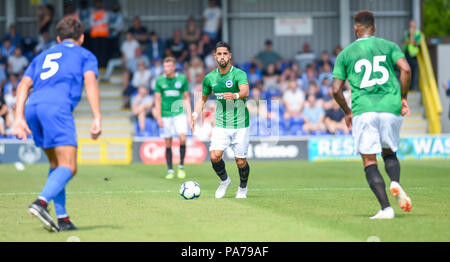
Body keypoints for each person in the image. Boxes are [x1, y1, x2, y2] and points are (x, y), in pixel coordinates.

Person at [12, 17, 101, 232]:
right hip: (57, 108)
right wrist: (97, 116)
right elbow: (90, 82)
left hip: (34, 107)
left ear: (59, 38)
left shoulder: (42, 56)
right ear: (81, 37)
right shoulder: (85, 54)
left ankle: (63, 219)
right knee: (69, 166)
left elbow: (24, 84)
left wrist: (18, 118)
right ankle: (41, 203)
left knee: (56, 164)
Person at [332, 10, 412, 219]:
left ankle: (386, 208)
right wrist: (403, 97)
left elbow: (335, 90)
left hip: (364, 110)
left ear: (356, 29)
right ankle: (395, 181)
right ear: (374, 28)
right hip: (390, 107)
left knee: (369, 160)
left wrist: (347, 112)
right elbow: (406, 70)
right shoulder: (389, 46)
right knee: (389, 152)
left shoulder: (346, 53)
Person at [191, 41, 251, 199]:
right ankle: (224, 181)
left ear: (230, 56)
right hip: (221, 124)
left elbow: (245, 90)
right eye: (219, 54)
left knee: (240, 161)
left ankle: (242, 188)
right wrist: (195, 115)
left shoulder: (238, 74)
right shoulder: (210, 78)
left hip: (240, 123)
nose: (222, 56)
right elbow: (202, 99)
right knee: (215, 156)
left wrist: (236, 95)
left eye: (225, 53)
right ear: (215, 57)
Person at [154, 57, 192, 180]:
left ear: (174, 67)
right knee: (168, 142)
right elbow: (157, 99)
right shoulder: (160, 80)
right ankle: (170, 169)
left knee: (182, 138)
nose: (166, 69)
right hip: (165, 115)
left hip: (179, 113)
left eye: (169, 66)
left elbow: (186, 97)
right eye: (165, 66)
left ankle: (181, 166)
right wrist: (159, 117)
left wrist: (189, 115)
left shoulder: (181, 79)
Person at [403, 20, 422, 91]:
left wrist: (411, 34)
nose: (411, 27)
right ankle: (407, 87)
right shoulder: (406, 32)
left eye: (412, 26)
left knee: (413, 72)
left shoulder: (418, 34)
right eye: (410, 25)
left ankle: (412, 87)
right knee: (407, 71)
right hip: (407, 54)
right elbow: (404, 41)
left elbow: (414, 42)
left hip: (413, 55)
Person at [89, 0, 109, 67]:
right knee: (95, 52)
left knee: (104, 52)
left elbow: (105, 21)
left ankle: (104, 65)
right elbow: (91, 23)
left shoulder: (105, 13)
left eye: (99, 3)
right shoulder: (92, 13)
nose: (98, 5)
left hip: (103, 35)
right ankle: (96, 65)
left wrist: (96, 20)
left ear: (101, 4)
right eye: (97, 3)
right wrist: (100, 20)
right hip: (95, 36)